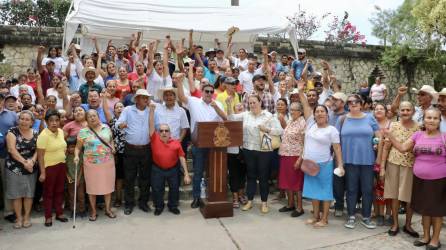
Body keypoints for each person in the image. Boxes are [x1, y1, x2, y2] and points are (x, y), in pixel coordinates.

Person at [384, 108, 446, 250]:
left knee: (436, 211)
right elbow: (402, 148)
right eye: (429, 117)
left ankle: (435, 240)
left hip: (439, 180)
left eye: (435, 118)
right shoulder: (418, 135)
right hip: (419, 179)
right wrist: (390, 136)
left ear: (439, 121)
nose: (431, 121)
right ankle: (425, 237)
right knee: (425, 209)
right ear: (424, 119)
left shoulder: (444, 137)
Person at [297, 81, 344, 227]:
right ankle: (315, 216)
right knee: (313, 192)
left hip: (325, 164)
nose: (319, 113)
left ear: (327, 114)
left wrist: (340, 165)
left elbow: (337, 149)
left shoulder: (332, 130)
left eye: (322, 111)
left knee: (325, 192)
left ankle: (325, 218)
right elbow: (305, 105)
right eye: (317, 111)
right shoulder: (311, 125)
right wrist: (300, 91)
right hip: (310, 164)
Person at [227, 94, 282, 213]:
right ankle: (250, 201)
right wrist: (228, 104)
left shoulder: (269, 115)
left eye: (254, 102)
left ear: (260, 102)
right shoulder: (246, 115)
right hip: (248, 149)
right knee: (250, 176)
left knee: (263, 177)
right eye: (250, 103)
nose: (252, 105)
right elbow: (231, 117)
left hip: (264, 151)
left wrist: (267, 130)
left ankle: (264, 202)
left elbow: (279, 131)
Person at [177, 78, 227, 208]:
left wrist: (216, 108)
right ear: (202, 91)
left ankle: (214, 195)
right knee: (198, 172)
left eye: (211, 92)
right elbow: (182, 97)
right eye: (206, 91)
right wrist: (179, 82)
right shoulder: (194, 102)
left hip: (215, 145)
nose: (209, 94)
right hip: (198, 144)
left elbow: (226, 119)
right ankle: (196, 197)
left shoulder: (218, 104)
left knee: (214, 172)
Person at [337, 94, 380, 230]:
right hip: (349, 160)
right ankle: (351, 216)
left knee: (367, 189)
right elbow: (336, 141)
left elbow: (378, 136)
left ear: (361, 104)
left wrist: (376, 144)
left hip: (367, 160)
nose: (353, 103)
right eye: (350, 102)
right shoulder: (342, 119)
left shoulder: (370, 117)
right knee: (351, 189)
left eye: (356, 101)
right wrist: (339, 161)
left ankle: (366, 217)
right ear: (347, 105)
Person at [380, 101, 419, 237]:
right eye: (403, 110)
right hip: (393, 164)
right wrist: (382, 168)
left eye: (408, 110)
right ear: (399, 112)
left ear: (413, 112)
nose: (405, 112)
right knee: (395, 196)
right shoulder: (394, 126)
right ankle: (395, 223)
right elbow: (386, 147)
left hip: (410, 166)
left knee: (409, 198)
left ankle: (408, 225)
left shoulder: (419, 128)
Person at [115, 89, 153, 215]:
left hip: (146, 149)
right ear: (136, 99)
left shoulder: (151, 110)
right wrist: (121, 125)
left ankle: (143, 203)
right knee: (129, 178)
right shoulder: (127, 110)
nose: (146, 100)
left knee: (145, 178)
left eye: (147, 98)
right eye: (143, 97)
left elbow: (156, 126)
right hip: (130, 148)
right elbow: (118, 123)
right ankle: (129, 204)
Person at [149, 104, 191, 215]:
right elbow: (151, 125)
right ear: (158, 132)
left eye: (166, 131)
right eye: (161, 130)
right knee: (157, 189)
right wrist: (152, 111)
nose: (163, 133)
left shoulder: (176, 143)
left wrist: (186, 173)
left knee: (174, 188)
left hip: (173, 169)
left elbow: (182, 158)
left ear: (170, 133)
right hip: (157, 169)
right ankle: (159, 206)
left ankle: (173, 206)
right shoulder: (154, 139)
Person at [74, 109, 116, 221]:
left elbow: (110, 140)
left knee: (108, 187)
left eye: (94, 116)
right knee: (92, 188)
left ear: (98, 117)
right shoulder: (83, 132)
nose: (92, 118)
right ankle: (93, 211)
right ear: (86, 119)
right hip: (91, 164)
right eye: (90, 116)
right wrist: (76, 156)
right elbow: (78, 147)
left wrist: (113, 147)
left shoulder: (106, 128)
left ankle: (108, 209)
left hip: (107, 163)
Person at [5, 111, 38, 229]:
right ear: (18, 120)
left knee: (29, 194)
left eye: (27, 119)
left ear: (32, 122)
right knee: (17, 194)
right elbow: (11, 150)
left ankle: (27, 217)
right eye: (22, 118)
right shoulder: (12, 132)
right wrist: (25, 162)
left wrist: (32, 162)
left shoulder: (35, 133)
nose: (24, 121)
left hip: (30, 168)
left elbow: (38, 150)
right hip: (14, 168)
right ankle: (18, 218)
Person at [36, 110, 68, 227]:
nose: (54, 123)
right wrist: (43, 173)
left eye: (56, 120)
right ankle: (48, 217)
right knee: (48, 193)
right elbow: (40, 156)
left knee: (59, 190)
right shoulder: (43, 136)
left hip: (61, 165)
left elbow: (63, 147)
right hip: (49, 168)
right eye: (51, 121)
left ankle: (59, 213)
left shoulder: (60, 131)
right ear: (46, 122)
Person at [277, 102, 306, 217]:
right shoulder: (290, 121)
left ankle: (300, 207)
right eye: (291, 109)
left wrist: (300, 159)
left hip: (295, 156)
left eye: (294, 110)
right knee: (287, 181)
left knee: (297, 183)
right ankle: (290, 204)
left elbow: (305, 144)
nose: (292, 111)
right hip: (285, 155)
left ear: (300, 111)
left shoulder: (302, 123)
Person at [103, 95, 125, 207]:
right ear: (114, 110)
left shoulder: (130, 119)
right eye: (117, 107)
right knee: (119, 177)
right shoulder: (112, 121)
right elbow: (106, 110)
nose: (120, 109)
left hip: (130, 152)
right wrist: (103, 98)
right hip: (117, 153)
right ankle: (118, 199)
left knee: (130, 176)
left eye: (122, 107)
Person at [0, 93, 18, 224]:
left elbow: (19, 131)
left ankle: (9, 211)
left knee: (7, 182)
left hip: (6, 154)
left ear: (2, 101)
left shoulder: (12, 115)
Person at [65, 136, 86, 218]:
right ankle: (73, 210)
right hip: (70, 179)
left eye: (73, 147)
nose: (71, 149)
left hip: (79, 179)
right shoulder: (66, 156)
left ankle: (82, 210)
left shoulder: (80, 155)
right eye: (69, 147)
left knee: (81, 196)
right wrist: (68, 177)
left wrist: (78, 179)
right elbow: (65, 169)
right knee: (72, 196)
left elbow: (81, 168)